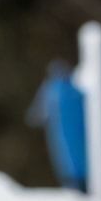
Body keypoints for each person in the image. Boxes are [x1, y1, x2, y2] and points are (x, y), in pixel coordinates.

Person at [29, 59, 88, 191]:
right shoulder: (72, 90)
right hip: (81, 157)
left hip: (64, 156)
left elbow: (35, 117)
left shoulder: (49, 90)